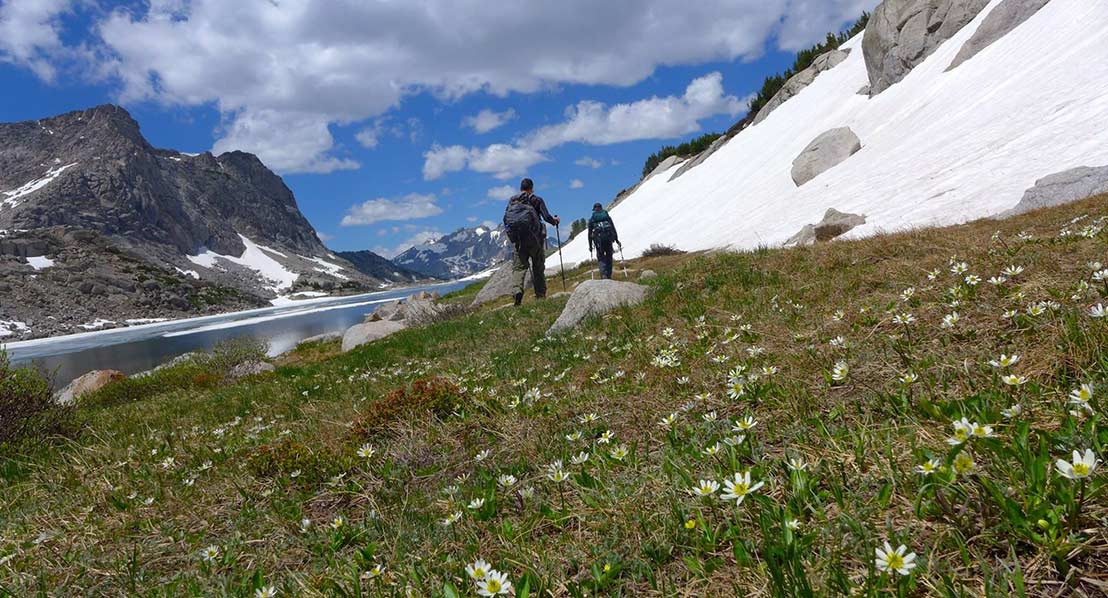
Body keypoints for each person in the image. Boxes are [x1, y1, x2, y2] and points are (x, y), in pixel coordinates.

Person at [503, 178, 559, 305]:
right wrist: (555, 221)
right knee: (538, 267)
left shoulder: (512, 202)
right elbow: (546, 217)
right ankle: (540, 295)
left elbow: (505, 219)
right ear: (531, 188)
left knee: (518, 268)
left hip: (519, 242)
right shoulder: (536, 200)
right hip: (535, 240)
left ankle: (517, 291)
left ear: (521, 188)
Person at [587, 202, 620, 279]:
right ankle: (609, 275)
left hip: (599, 242)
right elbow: (613, 228)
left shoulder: (592, 219)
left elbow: (589, 233)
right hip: (608, 239)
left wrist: (590, 246)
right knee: (609, 256)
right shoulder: (607, 217)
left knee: (601, 258)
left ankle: (604, 275)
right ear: (601, 208)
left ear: (594, 209)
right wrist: (616, 239)